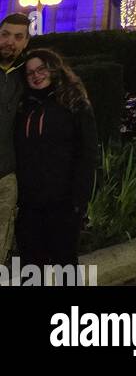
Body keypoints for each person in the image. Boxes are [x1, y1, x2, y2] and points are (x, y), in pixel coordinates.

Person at [14, 48, 98, 267]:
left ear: (53, 68)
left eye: (41, 69)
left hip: (63, 204)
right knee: (31, 268)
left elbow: (87, 154)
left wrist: (79, 201)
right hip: (30, 205)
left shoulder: (74, 104)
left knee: (65, 267)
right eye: (30, 72)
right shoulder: (24, 107)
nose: (36, 75)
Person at [0, 13, 31, 263]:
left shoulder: (29, 76)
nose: (10, 41)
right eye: (5, 34)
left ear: (26, 42)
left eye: (17, 37)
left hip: (7, 175)